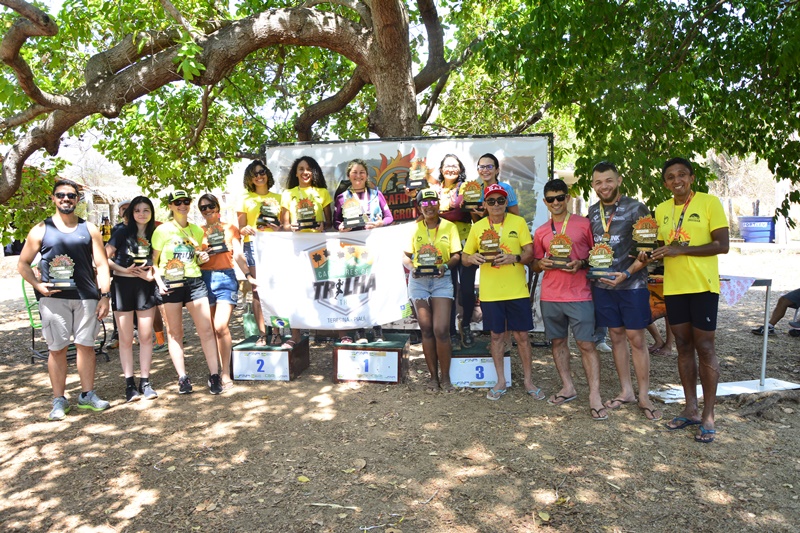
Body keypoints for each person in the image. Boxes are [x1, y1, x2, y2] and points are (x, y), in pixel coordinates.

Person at [17, 179, 112, 420]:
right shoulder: (41, 229)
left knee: (86, 346)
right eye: (61, 195)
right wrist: (38, 285)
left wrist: (105, 296)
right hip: (54, 300)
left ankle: (87, 395)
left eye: (71, 195)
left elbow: (101, 265)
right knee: (57, 349)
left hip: (86, 298)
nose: (66, 199)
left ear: (77, 199)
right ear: (53, 198)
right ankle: (59, 400)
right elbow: (23, 263)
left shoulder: (89, 229)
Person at [651, 157, 729, 443]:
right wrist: (650, 251)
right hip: (674, 288)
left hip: (703, 287)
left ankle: (709, 415)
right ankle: (690, 409)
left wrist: (679, 251)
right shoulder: (661, 210)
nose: (676, 180)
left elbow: (723, 245)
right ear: (665, 183)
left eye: (682, 174)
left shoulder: (710, 203)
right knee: (683, 346)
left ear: (692, 178)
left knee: (705, 347)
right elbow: (661, 246)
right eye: (670, 177)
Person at [587, 161, 662, 421]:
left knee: (636, 339)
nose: (603, 186)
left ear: (618, 180)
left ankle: (644, 395)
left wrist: (627, 274)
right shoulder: (592, 212)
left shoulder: (636, 208)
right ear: (593, 185)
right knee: (616, 336)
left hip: (632, 284)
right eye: (598, 182)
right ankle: (626, 391)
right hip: (603, 285)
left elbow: (647, 252)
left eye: (608, 180)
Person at [532, 179, 606, 420]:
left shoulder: (584, 224)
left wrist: (582, 263)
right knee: (558, 343)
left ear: (568, 198)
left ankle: (594, 395)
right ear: (545, 202)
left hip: (580, 294)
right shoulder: (542, 231)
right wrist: (539, 264)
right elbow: (534, 263)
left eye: (560, 197)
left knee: (587, 345)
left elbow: (600, 256)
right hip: (551, 296)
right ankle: (568, 387)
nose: (556, 202)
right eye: (551, 199)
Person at [462, 184, 544, 401]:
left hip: (516, 290)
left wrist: (514, 258)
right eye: (491, 201)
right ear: (485, 204)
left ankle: (528, 381)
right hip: (491, 293)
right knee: (497, 337)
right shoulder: (478, 227)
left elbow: (529, 252)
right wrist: (472, 258)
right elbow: (464, 256)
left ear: (507, 202)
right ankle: (500, 381)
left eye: (500, 200)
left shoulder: (518, 223)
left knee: (522, 336)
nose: (496, 205)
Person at [151, 190, 224, 395]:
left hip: (194, 282)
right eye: (178, 202)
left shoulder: (197, 231)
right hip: (170, 283)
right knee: (175, 333)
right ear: (171, 206)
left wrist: (202, 257)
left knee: (206, 330)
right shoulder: (162, 231)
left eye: (186, 201)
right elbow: (153, 262)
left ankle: (214, 375)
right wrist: (159, 282)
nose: (182, 205)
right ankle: (182, 377)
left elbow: (197, 258)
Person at [403, 189, 461, 392]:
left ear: (438, 204)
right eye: (424, 204)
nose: (429, 207)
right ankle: (433, 378)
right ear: (419, 207)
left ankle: (446, 378)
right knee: (426, 329)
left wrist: (445, 266)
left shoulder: (450, 227)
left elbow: (456, 255)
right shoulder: (414, 229)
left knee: (441, 330)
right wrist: (412, 268)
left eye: (432, 202)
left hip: (441, 280)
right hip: (419, 282)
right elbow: (406, 256)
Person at [333, 158, 394, 343]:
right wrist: (341, 227)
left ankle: (377, 330)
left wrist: (379, 223)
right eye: (354, 172)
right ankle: (359, 330)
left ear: (366, 175)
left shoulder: (376, 194)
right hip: (352, 248)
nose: (358, 176)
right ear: (349, 175)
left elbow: (390, 217)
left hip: (374, 245)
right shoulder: (342, 197)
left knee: (375, 287)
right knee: (356, 289)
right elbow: (335, 222)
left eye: (361, 172)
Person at [105, 196, 159, 401]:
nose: (142, 214)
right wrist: (124, 270)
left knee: (146, 336)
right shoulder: (121, 232)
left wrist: (151, 275)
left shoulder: (155, 234)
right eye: (137, 210)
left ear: (152, 213)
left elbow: (158, 261)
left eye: (146, 210)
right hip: (122, 286)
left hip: (145, 286)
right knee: (125, 338)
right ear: (131, 213)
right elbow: (103, 258)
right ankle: (129, 385)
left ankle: (145, 382)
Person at [199, 193, 255, 390]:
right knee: (210, 330)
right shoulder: (198, 232)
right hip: (204, 279)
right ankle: (215, 372)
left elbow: (238, 254)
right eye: (203, 208)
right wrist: (201, 257)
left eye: (210, 206)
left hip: (226, 279)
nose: (207, 210)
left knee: (221, 326)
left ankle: (225, 372)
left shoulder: (230, 229)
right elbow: (194, 259)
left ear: (217, 207)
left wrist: (248, 275)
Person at [280, 156, 333, 349]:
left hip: (319, 246)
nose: (305, 172)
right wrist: (290, 226)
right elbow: (283, 225)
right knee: (296, 290)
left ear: (314, 172)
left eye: (309, 168)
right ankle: (295, 334)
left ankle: (331, 329)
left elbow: (330, 223)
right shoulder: (288, 194)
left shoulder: (323, 192)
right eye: (301, 168)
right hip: (296, 247)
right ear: (295, 172)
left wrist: (323, 225)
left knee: (323, 286)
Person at [430, 154, 473, 349]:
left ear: (460, 169)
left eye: (455, 166)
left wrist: (439, 212)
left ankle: (466, 325)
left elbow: (461, 212)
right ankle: (452, 332)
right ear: (441, 169)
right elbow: (425, 211)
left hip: (465, 243)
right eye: (447, 166)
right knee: (449, 289)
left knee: (466, 288)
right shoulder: (434, 189)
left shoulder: (465, 187)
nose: (451, 169)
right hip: (443, 245)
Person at [237, 160, 282, 346]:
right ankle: (263, 334)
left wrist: (278, 228)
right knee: (257, 291)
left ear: (267, 174)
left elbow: (283, 226)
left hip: (275, 245)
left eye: (261, 172)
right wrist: (245, 229)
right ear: (249, 178)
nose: (258, 176)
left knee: (276, 290)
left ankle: (278, 333)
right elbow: (241, 228)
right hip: (253, 245)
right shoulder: (244, 199)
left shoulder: (279, 198)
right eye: (254, 174)